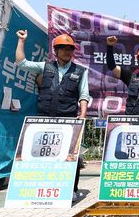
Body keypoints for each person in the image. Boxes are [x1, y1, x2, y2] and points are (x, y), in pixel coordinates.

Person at [15, 30, 90, 201]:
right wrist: (21, 41)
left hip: (68, 121)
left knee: (71, 156)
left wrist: (83, 114)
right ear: (55, 51)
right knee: (43, 155)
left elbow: (84, 95)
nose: (67, 51)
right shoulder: (45, 66)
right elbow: (21, 63)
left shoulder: (80, 71)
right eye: (62, 48)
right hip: (44, 120)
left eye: (70, 48)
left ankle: (71, 189)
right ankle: (44, 189)